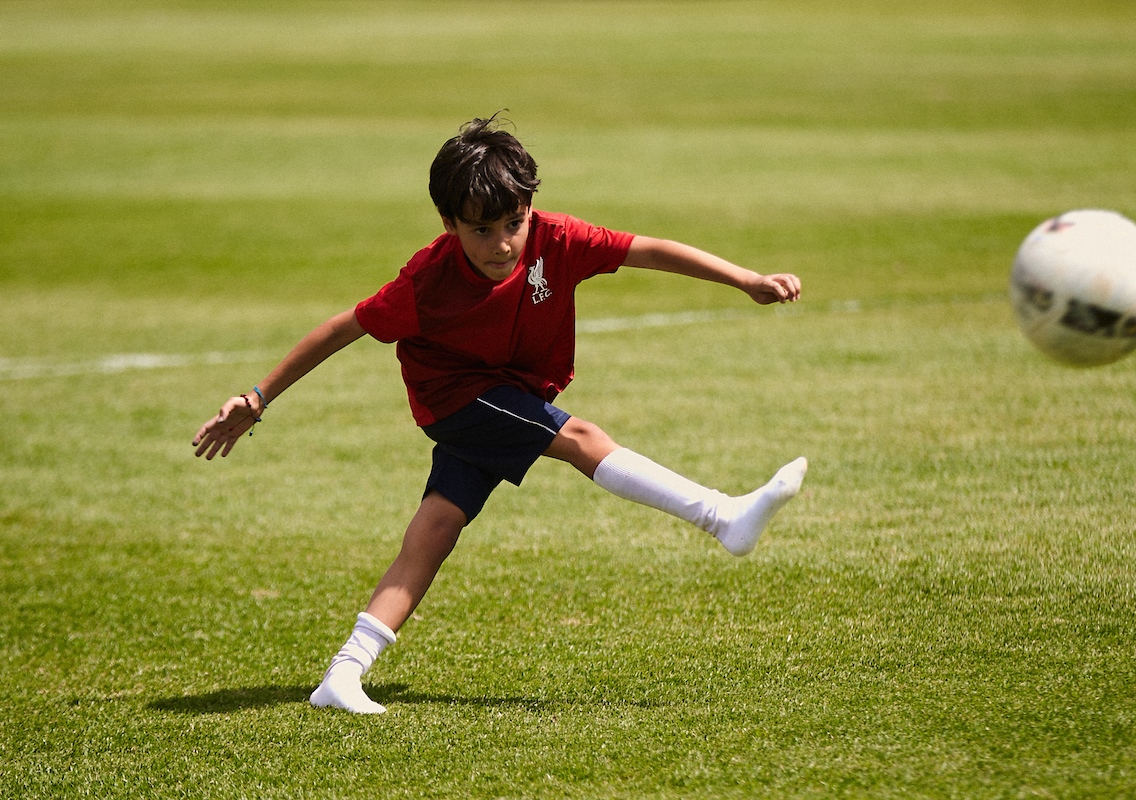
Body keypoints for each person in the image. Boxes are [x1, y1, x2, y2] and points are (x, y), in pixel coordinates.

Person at [192, 115, 807, 714]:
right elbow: (343, 327)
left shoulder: (555, 239)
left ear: (531, 208)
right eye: (481, 230)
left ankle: (344, 674)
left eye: (514, 222)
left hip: (503, 388)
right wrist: (257, 398)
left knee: (435, 529)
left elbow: (647, 249)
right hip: (456, 397)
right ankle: (721, 517)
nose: (503, 243)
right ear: (449, 223)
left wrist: (745, 279)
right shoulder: (427, 282)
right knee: (578, 436)